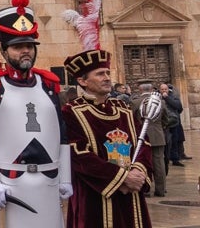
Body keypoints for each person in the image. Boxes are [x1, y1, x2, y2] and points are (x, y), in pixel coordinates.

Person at [0, 0, 70, 228]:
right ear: (3, 50)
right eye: (17, 47)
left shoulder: (48, 85)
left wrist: (66, 178)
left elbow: (62, 135)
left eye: (29, 46)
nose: (25, 51)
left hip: (49, 181)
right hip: (9, 184)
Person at [63, 49, 153, 227]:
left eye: (107, 73)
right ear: (82, 81)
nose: (106, 77)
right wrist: (122, 178)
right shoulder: (71, 111)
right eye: (99, 74)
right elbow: (78, 154)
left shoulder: (123, 109)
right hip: (95, 195)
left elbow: (144, 143)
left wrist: (138, 172)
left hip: (132, 193)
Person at [131, 83, 167, 197]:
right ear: (151, 89)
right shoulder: (161, 101)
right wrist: (160, 128)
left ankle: (145, 189)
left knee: (143, 162)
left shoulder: (135, 102)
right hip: (157, 136)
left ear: (139, 89)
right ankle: (160, 190)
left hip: (141, 136)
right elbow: (166, 118)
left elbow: (130, 119)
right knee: (159, 163)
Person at [160, 83, 185, 166]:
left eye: (165, 89)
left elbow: (179, 107)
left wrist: (167, 98)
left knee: (174, 141)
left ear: (168, 89)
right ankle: (165, 158)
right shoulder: (157, 98)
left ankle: (175, 159)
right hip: (163, 124)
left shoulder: (173, 96)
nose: (164, 91)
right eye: (162, 89)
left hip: (174, 123)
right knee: (164, 142)